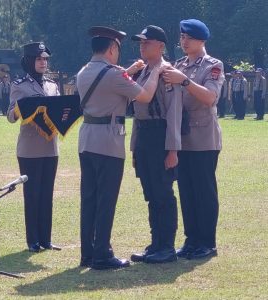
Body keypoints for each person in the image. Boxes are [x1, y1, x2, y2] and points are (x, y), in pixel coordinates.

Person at [76, 26, 163, 270]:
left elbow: (105, 84)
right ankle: (103, 253)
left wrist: (129, 71)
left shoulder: (84, 71)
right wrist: (155, 71)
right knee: (106, 199)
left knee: (89, 199)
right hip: (108, 142)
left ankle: (88, 253)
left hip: (87, 140)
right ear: (113, 48)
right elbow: (144, 96)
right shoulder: (114, 74)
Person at [163, 19, 224, 259]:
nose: (183, 41)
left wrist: (185, 81)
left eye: (188, 37)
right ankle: (191, 240)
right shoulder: (179, 64)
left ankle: (207, 242)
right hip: (182, 138)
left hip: (203, 138)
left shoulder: (213, 65)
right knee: (186, 191)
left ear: (201, 40)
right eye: (181, 37)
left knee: (204, 191)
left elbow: (210, 97)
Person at [129, 25, 182, 264]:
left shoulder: (167, 72)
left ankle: (167, 247)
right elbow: (136, 114)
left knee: (163, 193)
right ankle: (155, 244)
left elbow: (173, 113)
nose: (142, 45)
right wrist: (134, 148)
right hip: (144, 136)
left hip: (161, 135)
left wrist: (172, 149)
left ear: (161, 46)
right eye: (141, 42)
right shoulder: (142, 71)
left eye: (147, 42)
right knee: (151, 194)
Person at [7, 42, 61, 253]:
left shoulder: (52, 85)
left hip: (50, 147)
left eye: (46, 59)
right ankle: (33, 241)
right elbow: (11, 115)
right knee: (32, 194)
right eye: (39, 59)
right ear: (30, 61)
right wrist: (25, 107)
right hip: (29, 149)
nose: (43, 63)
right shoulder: (19, 85)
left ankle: (46, 240)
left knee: (47, 193)